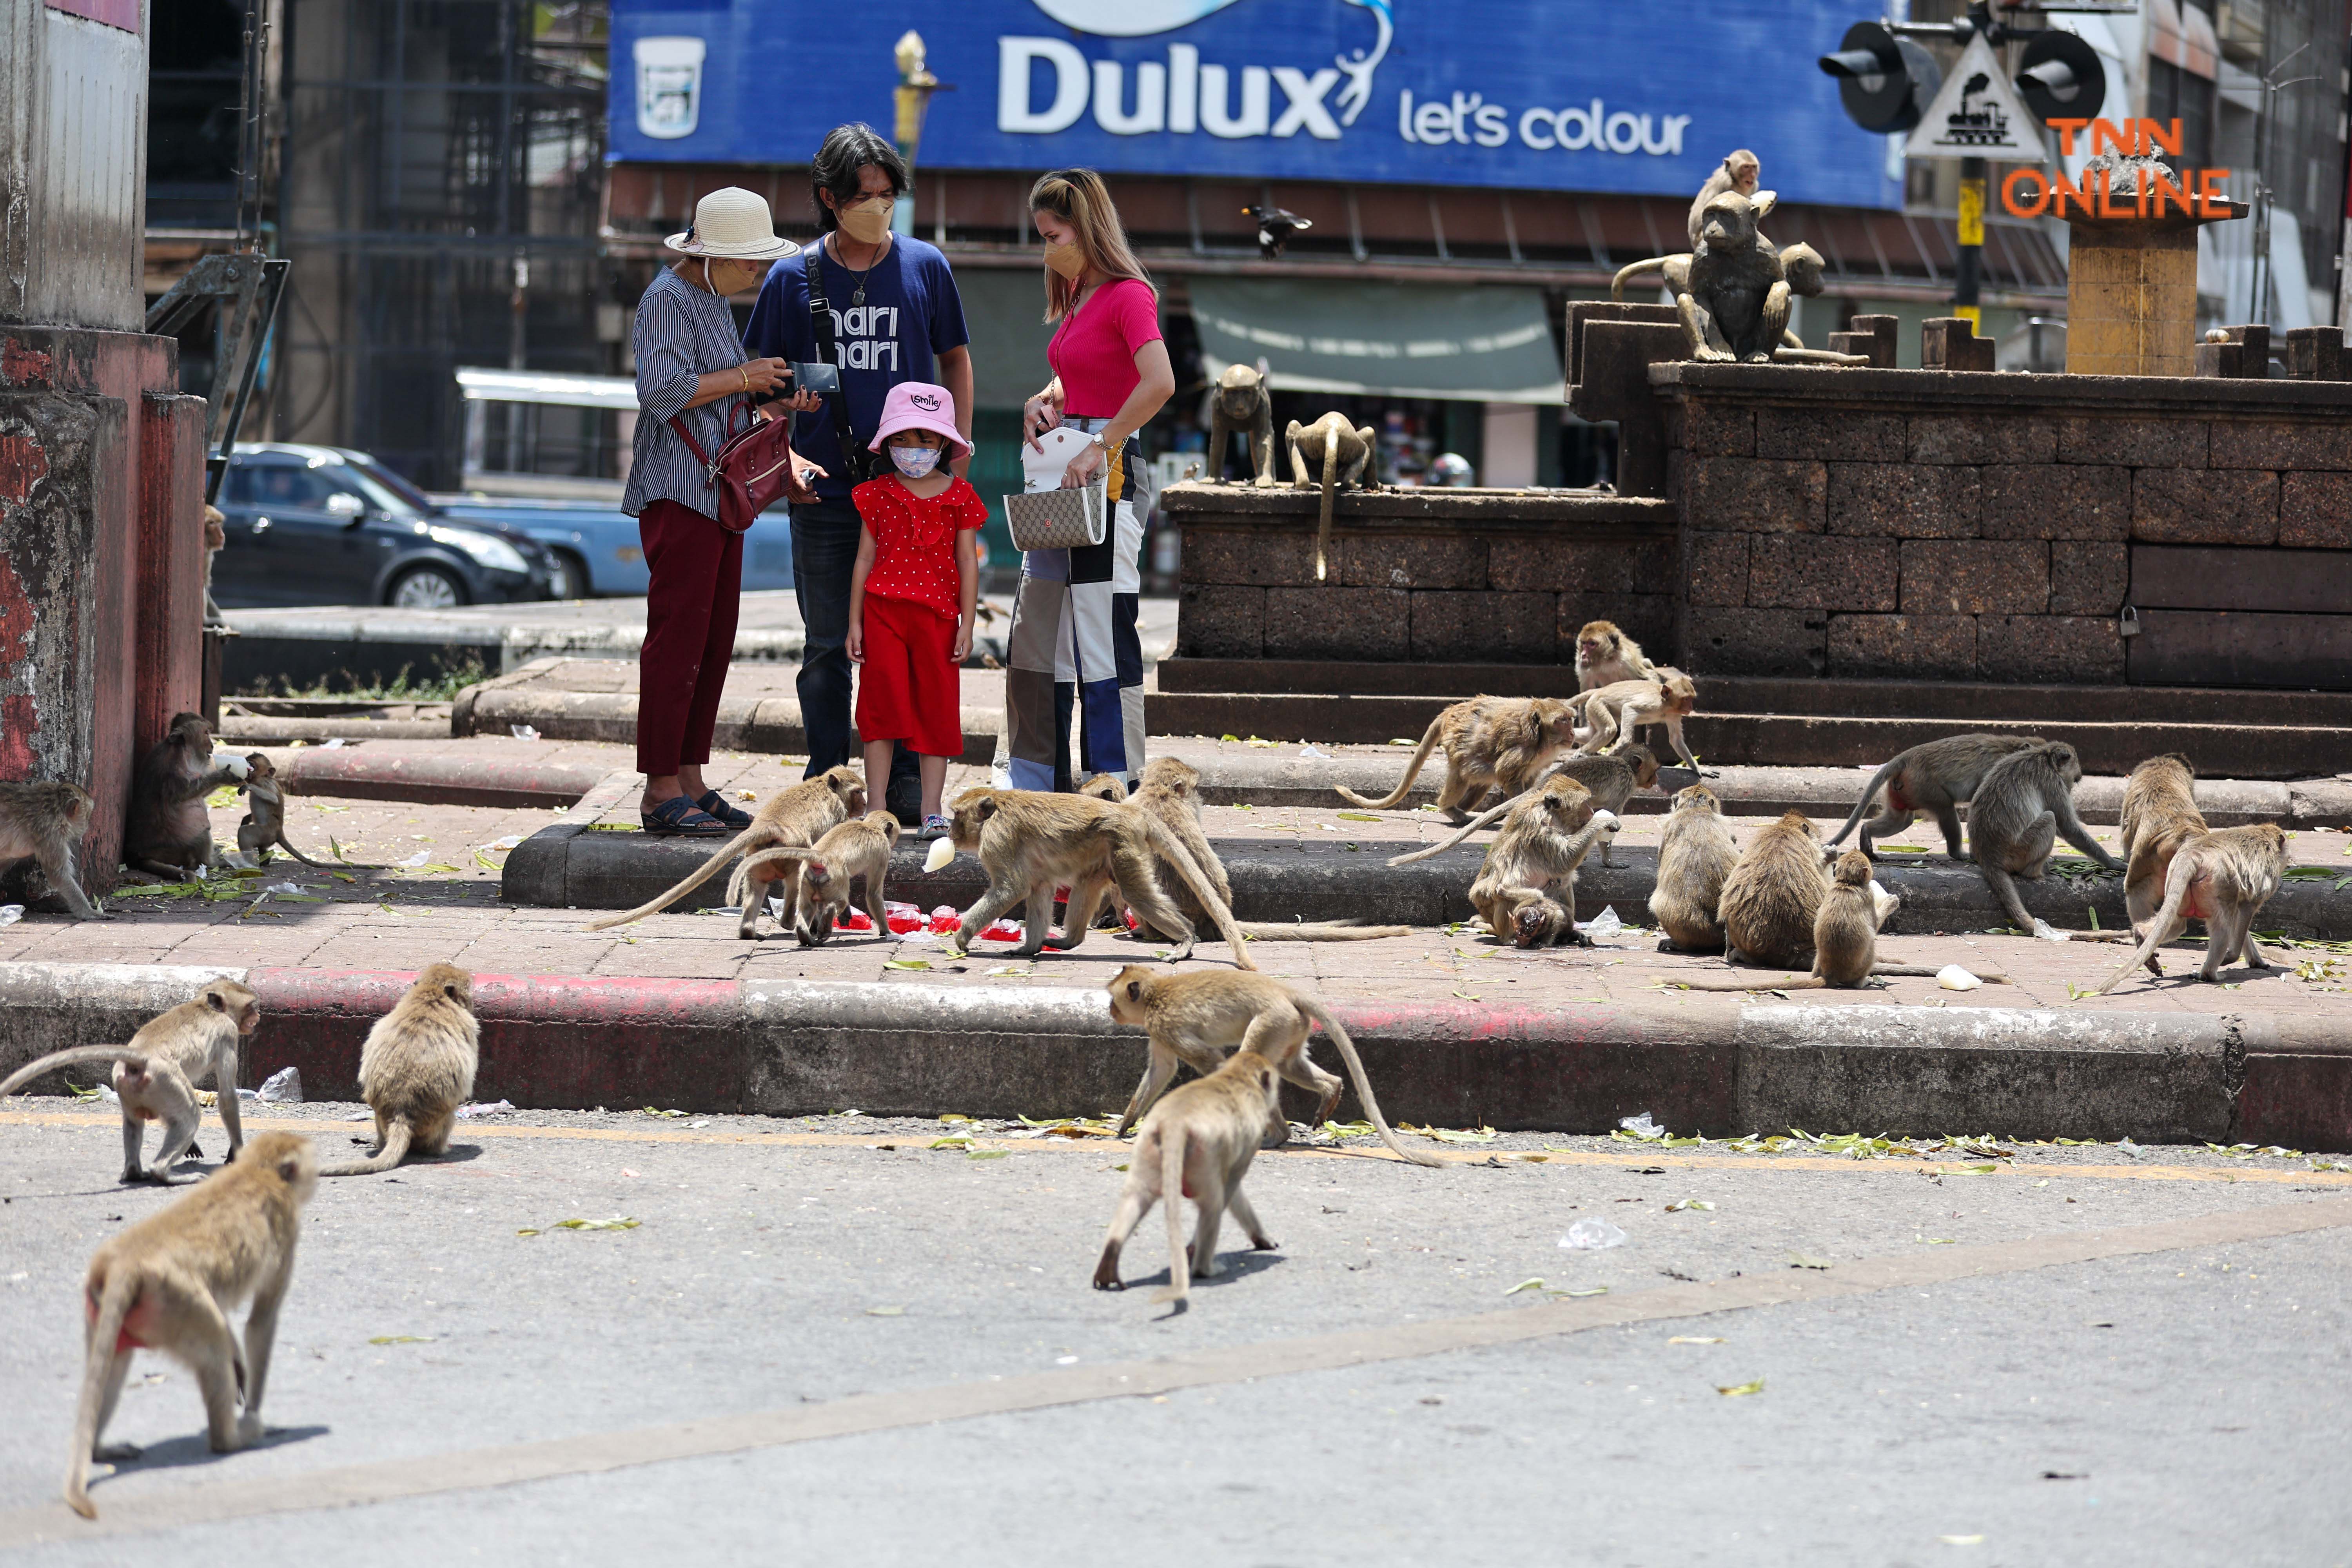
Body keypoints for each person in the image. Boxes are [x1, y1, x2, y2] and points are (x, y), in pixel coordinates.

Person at [743, 123, 973, 824]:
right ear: (829, 199)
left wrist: (959, 447)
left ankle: (902, 782)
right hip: (827, 491)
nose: (878, 206)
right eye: (863, 195)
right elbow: (757, 392)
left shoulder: (926, 267)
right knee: (827, 645)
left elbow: (956, 358)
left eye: (887, 194)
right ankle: (827, 774)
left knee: (911, 642)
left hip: (913, 495)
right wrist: (788, 444)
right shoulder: (793, 278)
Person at [622, 187, 816, 834]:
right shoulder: (665, 299)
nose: (757, 273)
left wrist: (781, 402)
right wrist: (746, 377)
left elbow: (727, 405)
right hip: (679, 492)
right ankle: (658, 789)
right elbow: (660, 392)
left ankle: (691, 777)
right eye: (748, 261)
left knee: (712, 639)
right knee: (677, 640)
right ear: (712, 255)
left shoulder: (710, 298)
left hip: (718, 493)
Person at [1004, 169, 1175, 793]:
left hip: (1103, 476)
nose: (1047, 246)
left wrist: (1102, 443)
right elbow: (1085, 376)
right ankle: (1037, 782)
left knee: (1100, 633)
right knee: (1039, 631)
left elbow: (1159, 383)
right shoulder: (1083, 295)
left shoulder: (1129, 294)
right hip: (1065, 470)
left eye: (1054, 234)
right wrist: (1043, 397)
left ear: (1085, 230)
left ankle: (1114, 781)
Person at [847, 382, 984, 838]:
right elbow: (864, 559)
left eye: (925, 439)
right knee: (879, 708)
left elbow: (968, 560)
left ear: (944, 443)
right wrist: (855, 622)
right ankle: (877, 807)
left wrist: (967, 621)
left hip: (940, 620)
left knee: (936, 710)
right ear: (887, 442)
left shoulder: (961, 496)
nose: (914, 450)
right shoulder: (875, 493)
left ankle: (932, 809)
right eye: (903, 439)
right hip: (882, 614)